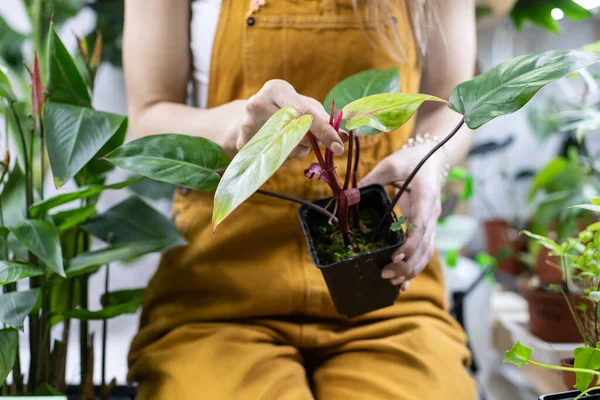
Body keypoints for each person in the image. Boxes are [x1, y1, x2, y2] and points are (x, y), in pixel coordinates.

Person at [123, 0, 477, 398]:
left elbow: (452, 102)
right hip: (219, 292)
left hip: (387, 287)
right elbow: (147, 117)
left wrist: (430, 157)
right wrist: (240, 126)